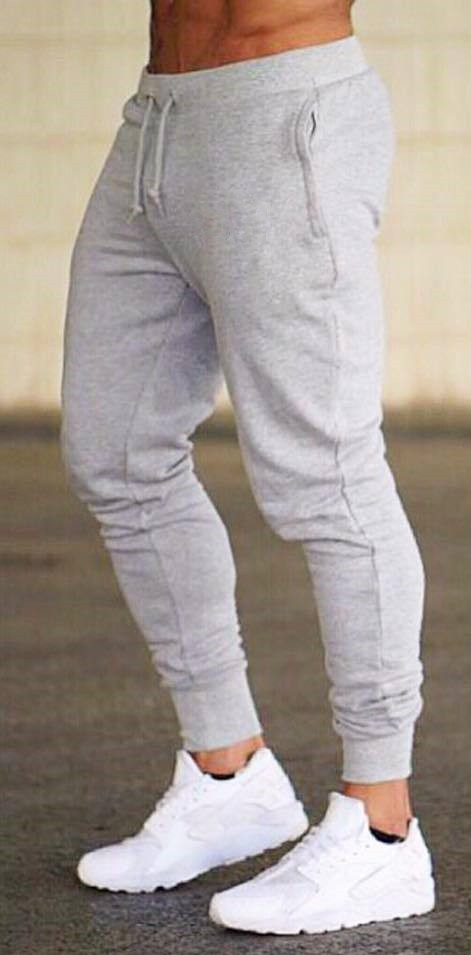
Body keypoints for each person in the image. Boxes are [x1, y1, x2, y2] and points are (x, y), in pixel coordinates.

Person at [60, 0, 436, 935]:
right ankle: (227, 774)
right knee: (116, 453)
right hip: (156, 127)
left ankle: (382, 825)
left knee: (325, 477)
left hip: (283, 114)